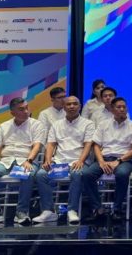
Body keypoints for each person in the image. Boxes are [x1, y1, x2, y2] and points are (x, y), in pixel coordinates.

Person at [0, 97, 46, 225]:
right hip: (7, 160)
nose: (26, 111)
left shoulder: (36, 125)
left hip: (25, 160)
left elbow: (37, 146)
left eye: (26, 108)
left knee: (27, 174)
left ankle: (22, 211)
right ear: (12, 112)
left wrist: (29, 160)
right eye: (21, 109)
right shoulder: (4, 126)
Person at [34, 96, 95, 224]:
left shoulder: (88, 124)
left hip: (78, 161)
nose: (72, 106)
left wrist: (81, 161)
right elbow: (51, 144)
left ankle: (72, 210)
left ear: (80, 106)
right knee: (41, 174)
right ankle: (48, 211)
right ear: (64, 107)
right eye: (68, 104)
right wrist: (48, 160)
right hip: (60, 161)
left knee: (76, 173)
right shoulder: (56, 124)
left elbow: (88, 145)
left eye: (75, 104)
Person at [83, 97, 132, 221]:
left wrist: (119, 161)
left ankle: (117, 209)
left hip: (125, 160)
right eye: (118, 107)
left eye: (124, 107)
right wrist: (101, 161)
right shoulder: (103, 124)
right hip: (104, 158)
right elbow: (96, 145)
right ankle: (98, 208)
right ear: (112, 109)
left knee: (121, 174)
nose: (122, 109)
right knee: (87, 174)